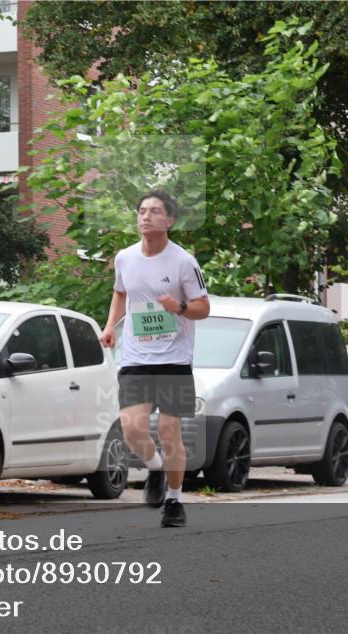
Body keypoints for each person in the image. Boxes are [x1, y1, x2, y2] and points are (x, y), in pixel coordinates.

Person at [99, 191, 209, 527]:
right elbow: (121, 292)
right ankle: (156, 469)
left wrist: (180, 307)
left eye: (155, 211)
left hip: (174, 360)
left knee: (168, 430)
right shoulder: (125, 258)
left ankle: (174, 501)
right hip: (136, 357)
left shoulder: (183, 261)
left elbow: (203, 308)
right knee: (132, 428)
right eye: (142, 211)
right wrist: (111, 325)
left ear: (170, 220)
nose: (146, 216)